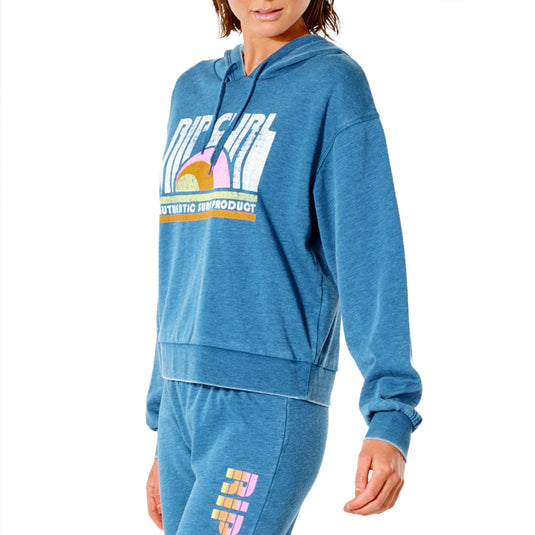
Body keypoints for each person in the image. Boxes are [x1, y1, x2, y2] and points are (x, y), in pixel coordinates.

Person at [145, 1, 423, 533]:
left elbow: (369, 252)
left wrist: (390, 413)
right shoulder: (191, 92)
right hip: (182, 400)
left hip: (268, 403)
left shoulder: (332, 85)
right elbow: (181, 261)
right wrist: (162, 417)